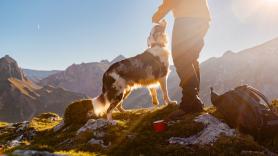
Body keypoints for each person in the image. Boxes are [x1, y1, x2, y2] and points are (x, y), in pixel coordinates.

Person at [152, 0, 211, 120]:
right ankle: (194, 101)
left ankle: (189, 103)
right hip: (202, 19)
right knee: (190, 58)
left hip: (186, 19)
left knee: (181, 58)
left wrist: (158, 15)